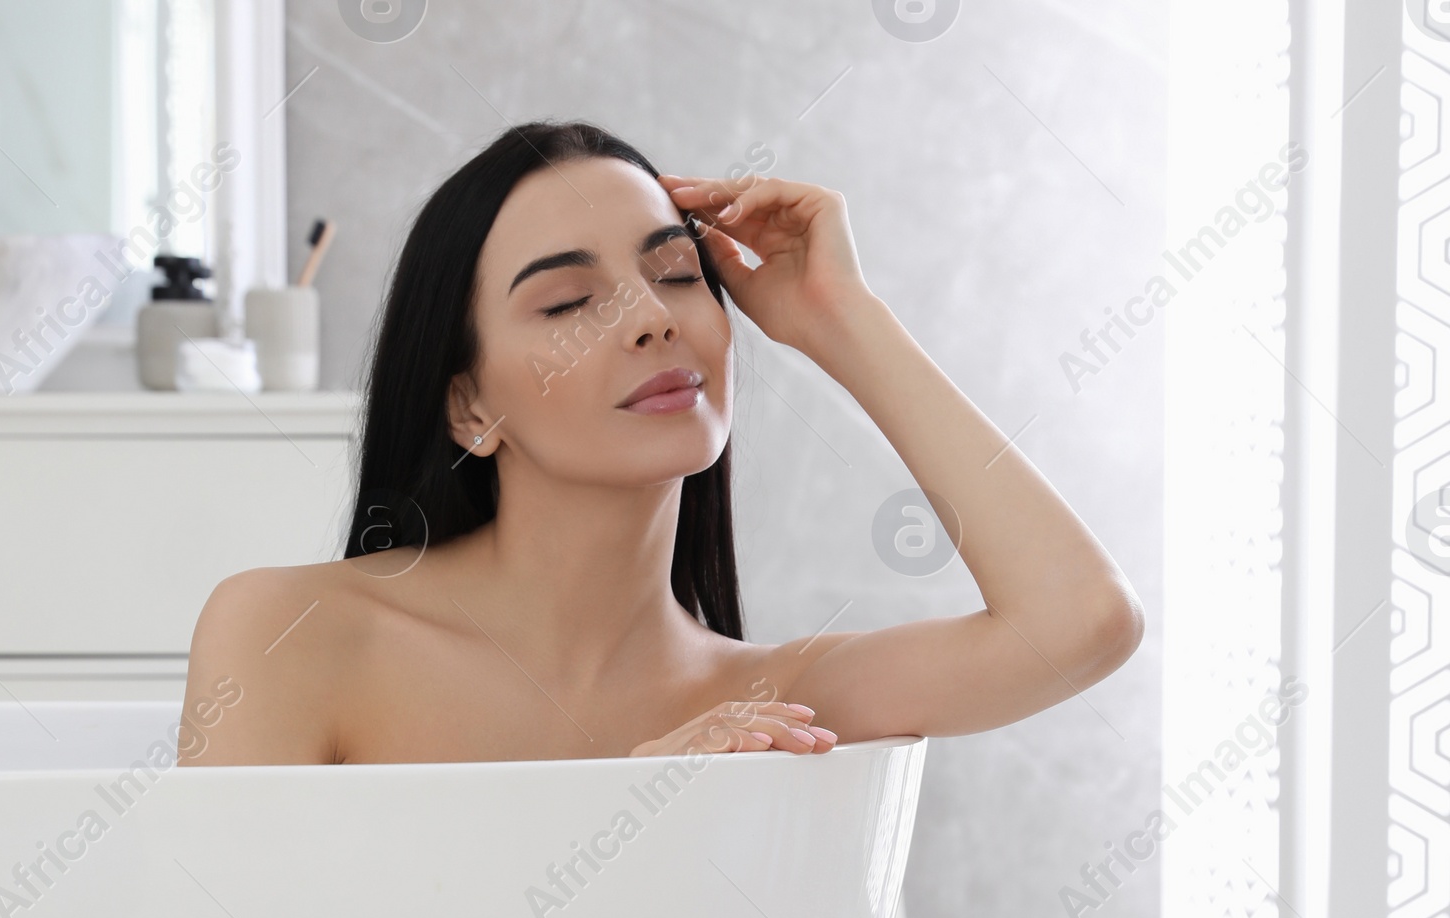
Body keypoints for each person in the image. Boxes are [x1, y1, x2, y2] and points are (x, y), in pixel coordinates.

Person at [179, 121, 1140, 764]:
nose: (649, 318)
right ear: (470, 405)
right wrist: (626, 814)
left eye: (678, 274)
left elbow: (1083, 623)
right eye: (568, 301)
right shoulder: (292, 636)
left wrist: (841, 319)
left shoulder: (775, 705)